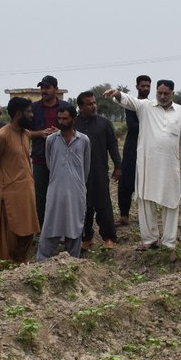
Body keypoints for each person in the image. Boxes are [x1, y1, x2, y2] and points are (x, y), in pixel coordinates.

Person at [105, 81, 181, 250]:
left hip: (170, 165)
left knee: (171, 202)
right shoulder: (146, 106)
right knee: (145, 201)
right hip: (147, 165)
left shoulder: (180, 111)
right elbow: (130, 101)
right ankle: (149, 239)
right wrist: (117, 94)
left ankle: (169, 242)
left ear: (173, 94)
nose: (162, 96)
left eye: (166, 94)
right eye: (159, 93)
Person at [0, 97, 41, 265]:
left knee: (28, 233)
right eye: (29, 112)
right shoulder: (2, 136)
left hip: (27, 192)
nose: (32, 115)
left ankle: (21, 264)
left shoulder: (26, 134)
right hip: (10, 194)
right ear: (18, 114)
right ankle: (6, 270)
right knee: (9, 235)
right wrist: (2, 185)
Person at [37, 107, 90, 261]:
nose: (61, 122)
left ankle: (73, 261)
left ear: (74, 120)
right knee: (51, 223)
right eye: (59, 118)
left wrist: (77, 183)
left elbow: (85, 167)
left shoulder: (84, 140)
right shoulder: (51, 140)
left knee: (75, 224)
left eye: (65, 119)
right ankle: (42, 259)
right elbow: (49, 164)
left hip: (77, 191)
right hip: (56, 190)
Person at [74, 90, 122, 249]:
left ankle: (109, 237)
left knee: (103, 205)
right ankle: (86, 238)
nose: (94, 106)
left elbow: (113, 146)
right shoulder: (74, 124)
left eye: (94, 102)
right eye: (89, 104)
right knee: (83, 206)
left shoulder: (104, 123)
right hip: (79, 173)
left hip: (99, 170)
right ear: (80, 107)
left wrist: (118, 166)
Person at [28, 75, 75, 226]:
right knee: (40, 197)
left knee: (62, 195)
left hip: (62, 159)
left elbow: (74, 131)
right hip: (40, 158)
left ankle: (62, 228)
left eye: (47, 87)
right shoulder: (33, 108)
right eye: (42, 87)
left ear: (56, 88)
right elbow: (25, 132)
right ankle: (41, 230)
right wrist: (41, 133)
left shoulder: (65, 107)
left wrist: (59, 132)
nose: (44, 90)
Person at [118, 75, 151, 227]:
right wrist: (151, 125)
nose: (145, 88)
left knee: (146, 181)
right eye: (142, 86)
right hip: (132, 147)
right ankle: (124, 216)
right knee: (126, 181)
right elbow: (132, 126)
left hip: (149, 148)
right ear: (137, 87)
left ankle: (146, 217)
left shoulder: (153, 105)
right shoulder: (132, 104)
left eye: (148, 86)